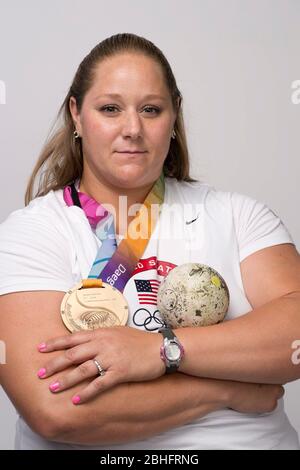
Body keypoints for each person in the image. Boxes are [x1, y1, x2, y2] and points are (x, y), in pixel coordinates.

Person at [0, 32, 299, 451]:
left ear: (174, 116)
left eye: (151, 110)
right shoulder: (31, 232)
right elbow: (57, 410)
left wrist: (160, 350)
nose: (133, 129)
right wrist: (227, 389)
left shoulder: (237, 214)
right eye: (110, 109)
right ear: (77, 115)